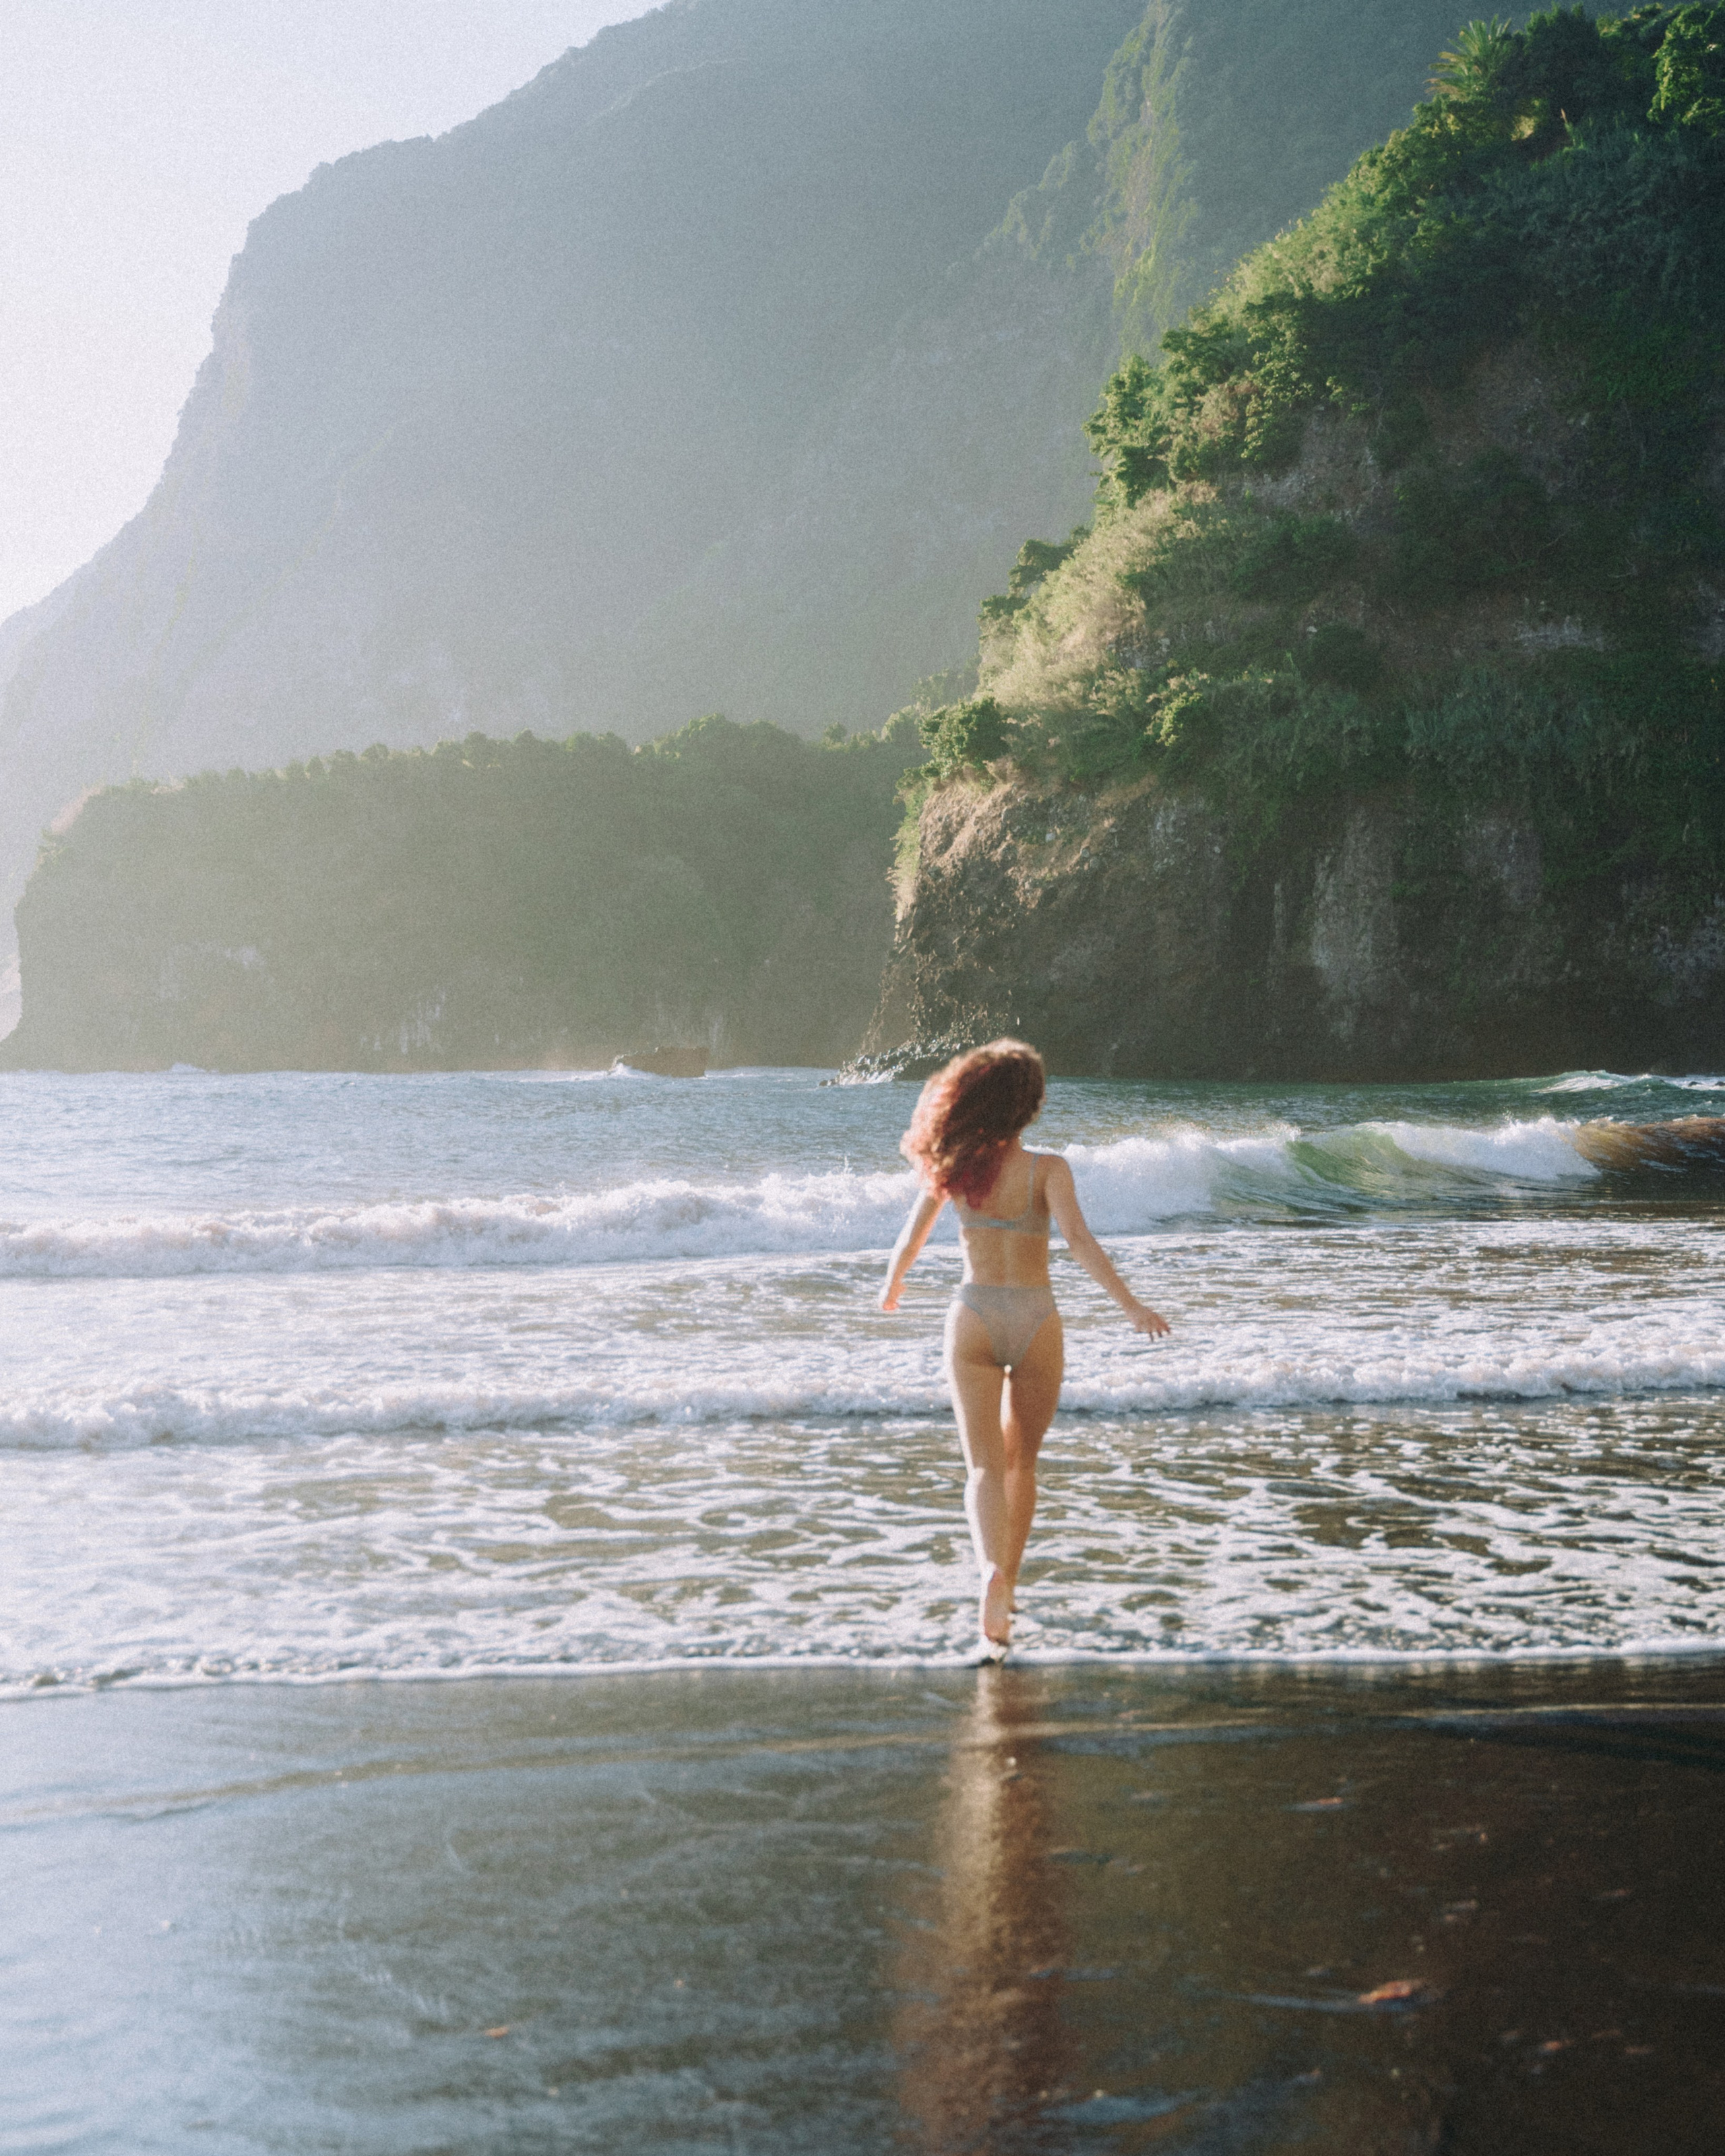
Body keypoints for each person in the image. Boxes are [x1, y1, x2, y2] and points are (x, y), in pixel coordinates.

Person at [878, 1039, 1169, 1659]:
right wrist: (1132, 1306)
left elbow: (912, 1235)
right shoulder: (1049, 1170)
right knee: (1021, 1465)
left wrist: (894, 1282)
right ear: (1028, 1105)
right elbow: (1082, 1245)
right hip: (1037, 1320)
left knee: (982, 1467)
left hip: (974, 1315)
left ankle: (990, 1574)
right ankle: (1008, 1586)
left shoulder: (954, 1167)